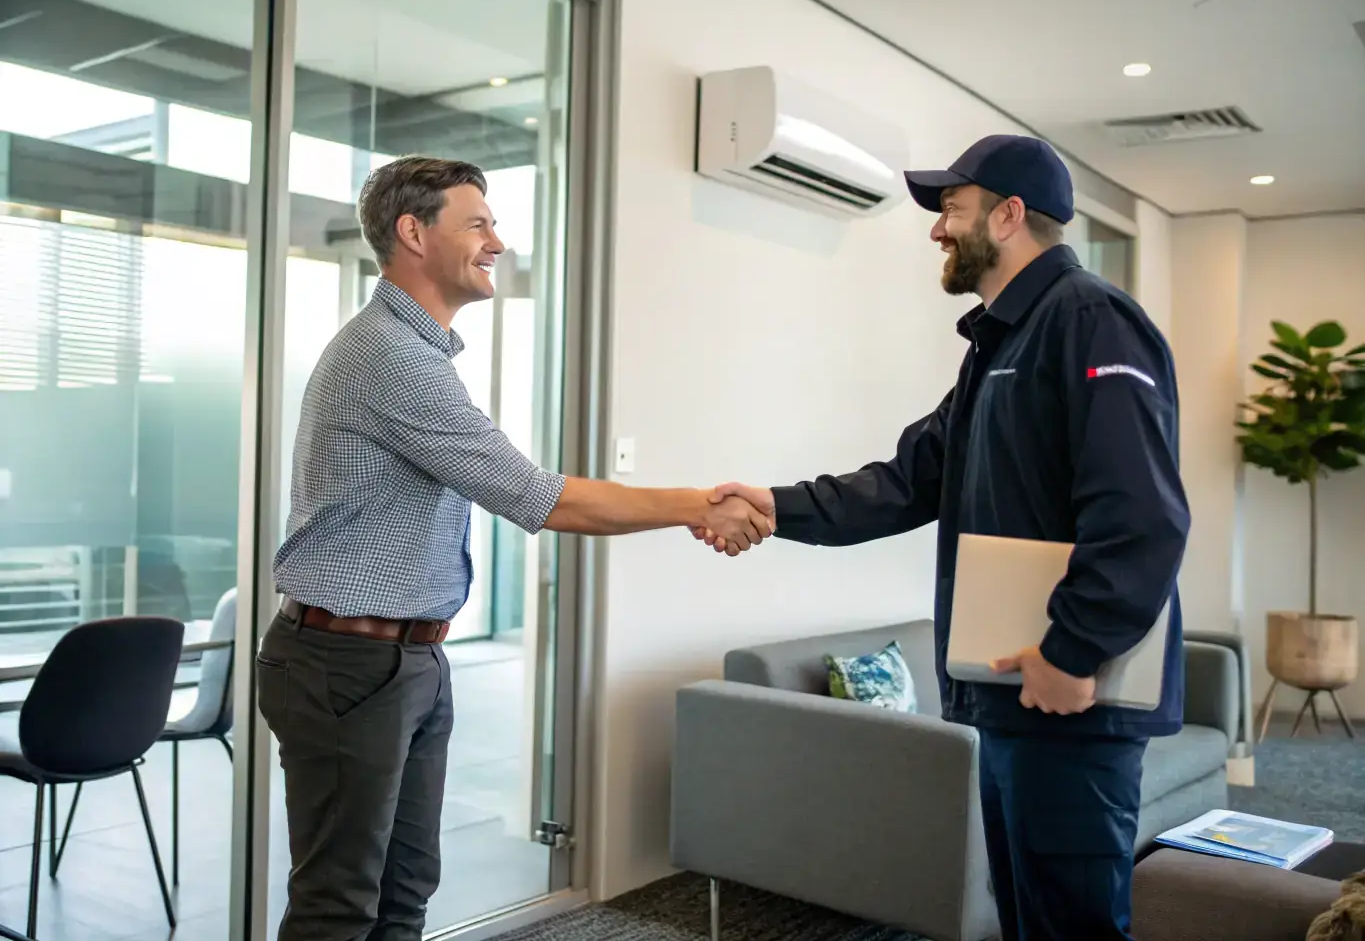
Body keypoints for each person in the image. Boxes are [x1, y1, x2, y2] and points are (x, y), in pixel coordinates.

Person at [257, 156, 772, 941]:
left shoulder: (417, 353)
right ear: (412, 233)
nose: (497, 242)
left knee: (403, 893)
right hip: (346, 664)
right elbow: (540, 497)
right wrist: (699, 505)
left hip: (405, 657)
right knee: (339, 906)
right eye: (478, 225)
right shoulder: (389, 357)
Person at [695, 134, 1190, 941]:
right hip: (1010, 697)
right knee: (1027, 919)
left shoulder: (1089, 320)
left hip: (1068, 696)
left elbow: (1142, 514)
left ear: (1008, 215)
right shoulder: (1000, 342)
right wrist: (775, 507)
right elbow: (907, 481)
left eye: (951, 210)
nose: (936, 229)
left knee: (1073, 927)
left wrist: (1073, 652)